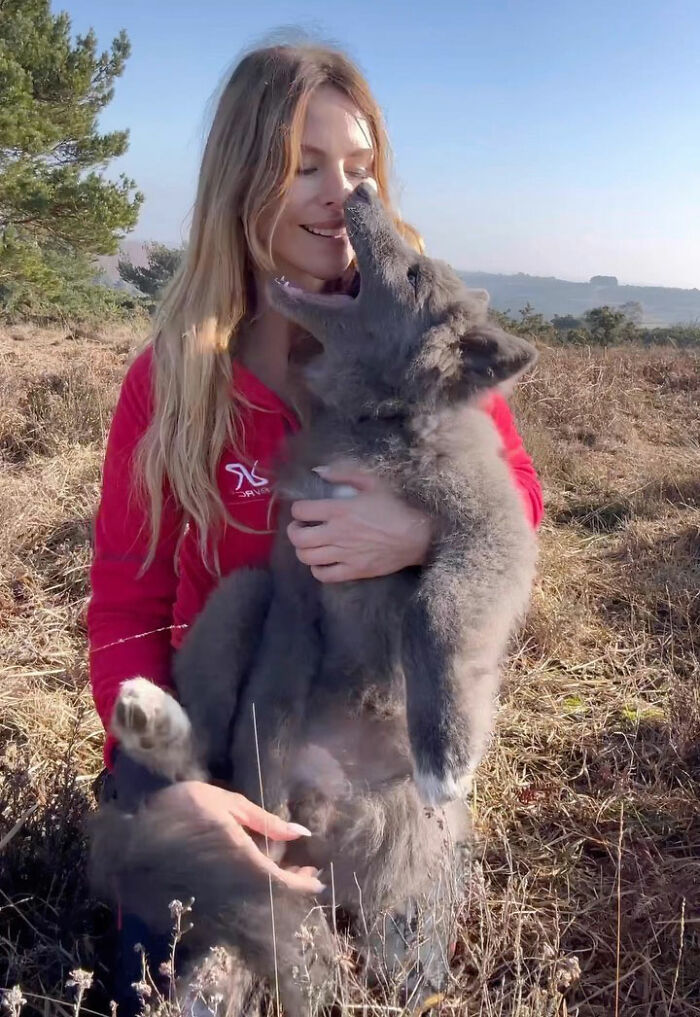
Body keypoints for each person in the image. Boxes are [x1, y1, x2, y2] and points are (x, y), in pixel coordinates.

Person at [88, 40, 543, 1011]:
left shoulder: (416, 340)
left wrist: (419, 536)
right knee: (169, 988)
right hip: (215, 743)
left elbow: (518, 505)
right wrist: (177, 784)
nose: (340, 192)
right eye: (304, 165)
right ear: (241, 177)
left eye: (359, 167)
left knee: (402, 988)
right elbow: (127, 599)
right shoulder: (169, 384)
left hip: (369, 761)